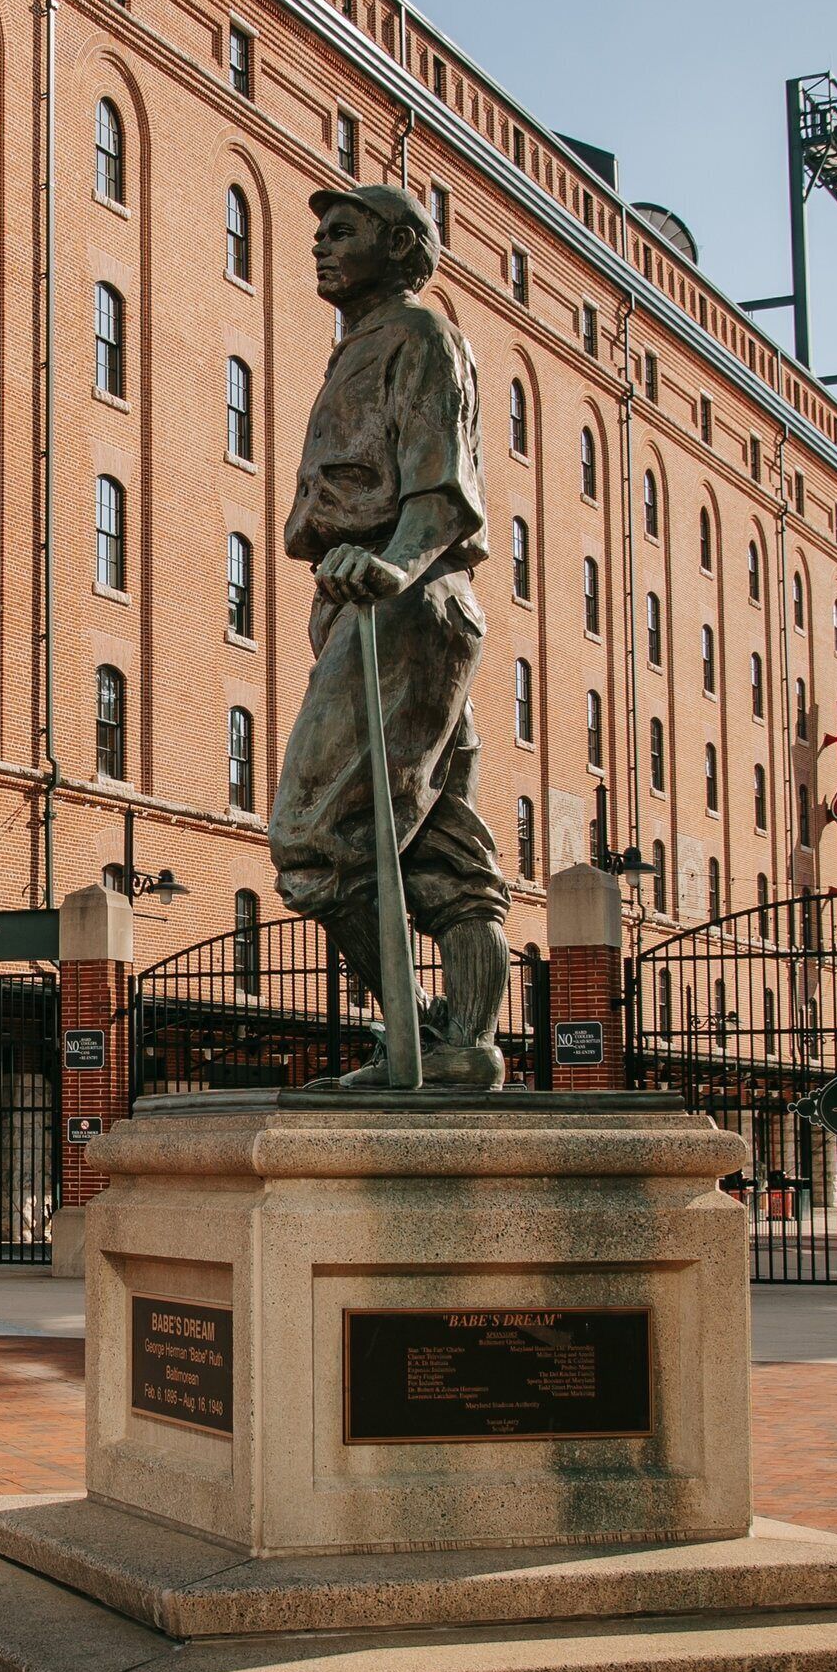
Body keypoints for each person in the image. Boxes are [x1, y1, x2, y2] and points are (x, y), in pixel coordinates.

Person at [270, 183, 512, 1088]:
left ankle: (418, 1035)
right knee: (436, 840)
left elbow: (441, 482)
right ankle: (465, 1048)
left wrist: (397, 564)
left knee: (312, 838)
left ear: (402, 244)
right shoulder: (359, 347)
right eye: (321, 234)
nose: (322, 245)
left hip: (400, 597)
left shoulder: (421, 336)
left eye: (344, 233)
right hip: (373, 598)